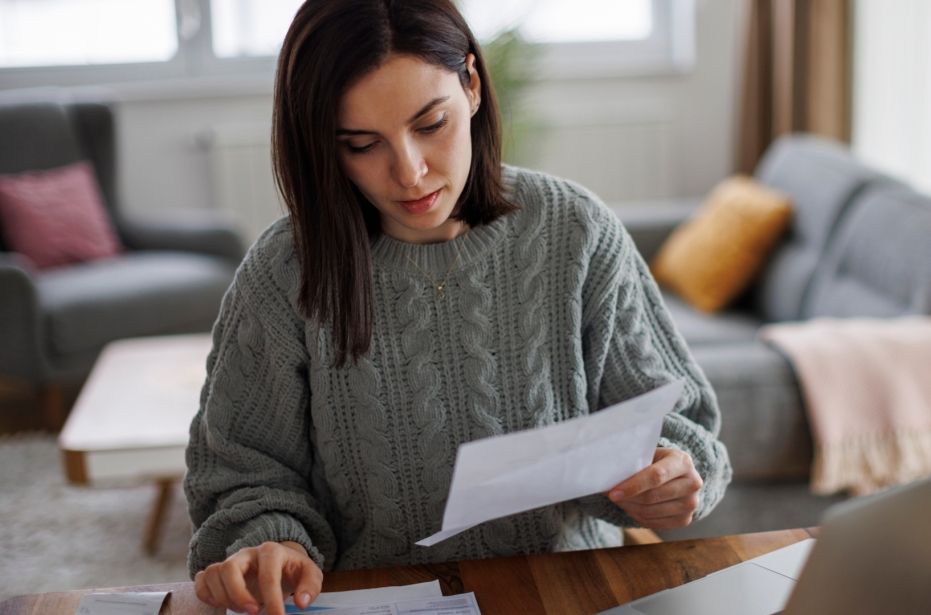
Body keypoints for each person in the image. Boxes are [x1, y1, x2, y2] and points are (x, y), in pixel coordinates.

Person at [184, 1, 731, 613]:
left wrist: (673, 475)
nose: (410, 173)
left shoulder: (575, 231)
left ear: (471, 85)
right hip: (374, 602)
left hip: (567, 593)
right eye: (362, 144)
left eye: (430, 124)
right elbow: (241, 473)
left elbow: (682, 423)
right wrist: (273, 543)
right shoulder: (286, 271)